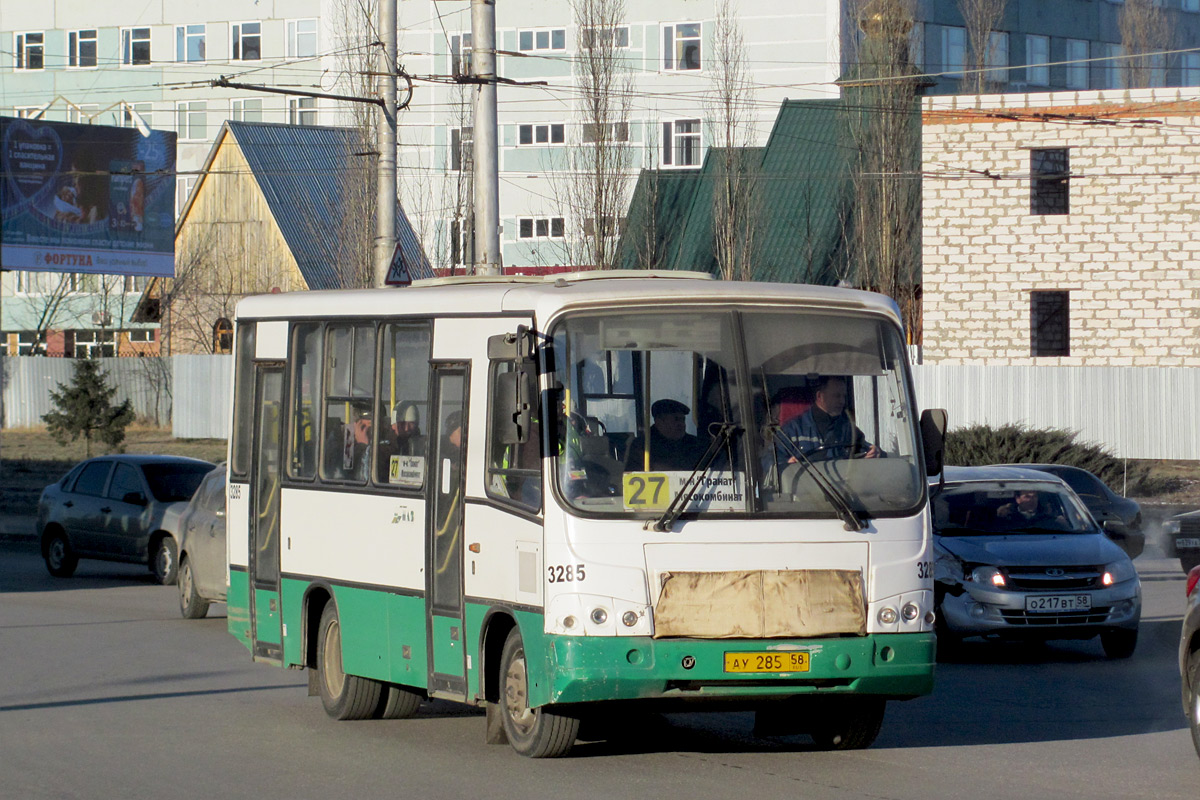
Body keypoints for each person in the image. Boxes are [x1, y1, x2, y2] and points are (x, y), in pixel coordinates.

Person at [767, 376, 879, 468]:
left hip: (840, 493)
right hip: (804, 493)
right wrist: (786, 466)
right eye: (837, 396)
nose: (842, 401)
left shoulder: (848, 429)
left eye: (844, 396)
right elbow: (769, 463)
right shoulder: (792, 430)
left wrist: (875, 452)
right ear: (819, 396)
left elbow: (868, 451)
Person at [624, 398, 707, 472]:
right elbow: (632, 477)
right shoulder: (644, 446)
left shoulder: (694, 444)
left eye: (683, 420)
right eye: (676, 419)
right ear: (659, 421)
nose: (681, 424)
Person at [996, 489, 1066, 528]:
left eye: (1034, 496)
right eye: (1027, 497)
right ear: (1018, 499)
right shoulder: (1007, 518)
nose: (1032, 500)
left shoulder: (1048, 519)